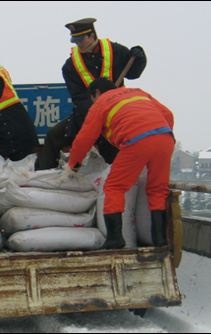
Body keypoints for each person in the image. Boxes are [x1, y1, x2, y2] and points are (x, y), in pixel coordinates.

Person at [68, 77, 175, 249]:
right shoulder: (139, 92)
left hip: (137, 141)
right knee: (157, 188)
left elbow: (85, 138)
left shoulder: (100, 103)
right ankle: (159, 240)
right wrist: (160, 134)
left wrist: (73, 164)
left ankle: (115, 238)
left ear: (96, 93)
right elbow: (168, 114)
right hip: (165, 138)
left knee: (114, 187)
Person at [37, 18, 147, 170]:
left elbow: (134, 73)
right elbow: (78, 97)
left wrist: (140, 58)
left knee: (113, 149)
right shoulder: (70, 66)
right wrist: (97, 112)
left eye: (81, 39)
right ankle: (46, 177)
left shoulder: (117, 51)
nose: (79, 44)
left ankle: (118, 178)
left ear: (92, 36)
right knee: (54, 136)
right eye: (76, 41)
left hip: (117, 114)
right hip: (88, 114)